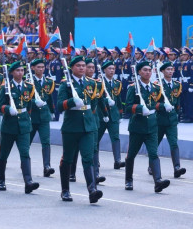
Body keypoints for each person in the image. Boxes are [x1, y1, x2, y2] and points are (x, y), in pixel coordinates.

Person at [55, 55, 103, 203]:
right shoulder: (66, 84)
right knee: (68, 158)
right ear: (72, 68)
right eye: (79, 66)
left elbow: (94, 102)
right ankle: (65, 190)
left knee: (88, 157)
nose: (82, 68)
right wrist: (71, 102)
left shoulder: (91, 83)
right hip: (71, 126)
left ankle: (92, 190)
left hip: (88, 126)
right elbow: (59, 105)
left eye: (84, 65)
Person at [124, 61, 170, 193]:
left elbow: (158, 103)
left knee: (153, 153)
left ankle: (158, 181)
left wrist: (164, 106)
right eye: (144, 70)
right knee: (131, 154)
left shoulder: (155, 88)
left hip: (152, 126)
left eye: (149, 70)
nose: (148, 72)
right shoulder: (134, 88)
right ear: (138, 72)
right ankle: (128, 180)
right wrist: (139, 108)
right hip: (137, 126)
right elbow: (127, 107)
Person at [0, 61, 40, 194]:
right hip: (9, 126)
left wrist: (27, 117)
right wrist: (8, 109)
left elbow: (29, 106)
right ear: (12, 73)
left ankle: (28, 181)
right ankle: (1, 180)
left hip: (24, 126)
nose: (20, 73)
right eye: (17, 71)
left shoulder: (28, 86)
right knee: (4, 154)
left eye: (22, 70)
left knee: (25, 153)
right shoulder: (6, 88)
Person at [155, 61, 186, 178]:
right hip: (159, 119)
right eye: (167, 70)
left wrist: (176, 113)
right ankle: (151, 166)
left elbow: (177, 101)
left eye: (171, 69)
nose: (170, 72)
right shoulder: (157, 85)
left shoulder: (177, 84)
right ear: (162, 71)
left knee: (174, 143)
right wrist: (163, 106)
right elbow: (153, 103)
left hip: (172, 120)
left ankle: (177, 167)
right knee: (155, 144)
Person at [28, 58, 56, 177]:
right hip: (32, 115)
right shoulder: (28, 82)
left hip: (44, 115)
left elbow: (49, 97)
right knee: (27, 142)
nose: (41, 69)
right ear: (33, 68)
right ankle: (25, 162)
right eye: (38, 67)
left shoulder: (48, 81)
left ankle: (47, 166)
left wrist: (52, 111)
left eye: (42, 67)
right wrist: (34, 102)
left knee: (46, 141)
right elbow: (24, 98)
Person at [96, 60, 124, 171]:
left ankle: (117, 160)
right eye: (109, 69)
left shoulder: (117, 83)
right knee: (96, 139)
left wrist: (120, 114)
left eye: (113, 69)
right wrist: (106, 100)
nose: (112, 71)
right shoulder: (99, 82)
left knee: (115, 137)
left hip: (113, 115)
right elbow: (97, 98)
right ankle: (95, 160)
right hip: (102, 114)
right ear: (104, 70)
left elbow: (118, 99)